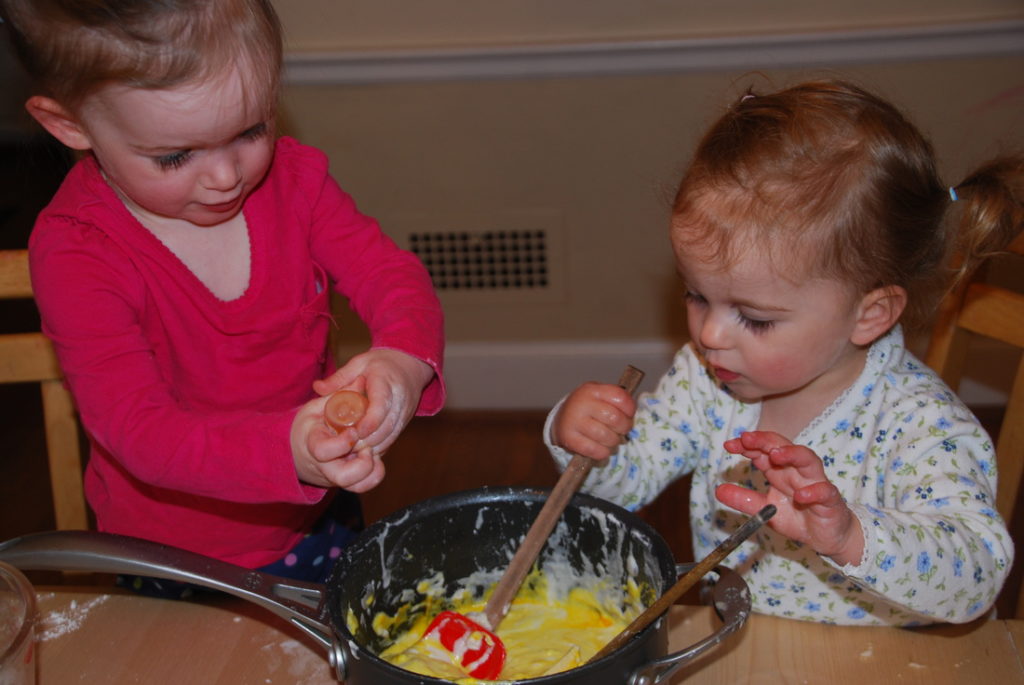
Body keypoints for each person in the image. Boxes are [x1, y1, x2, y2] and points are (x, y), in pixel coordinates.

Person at [1, 0, 445, 593]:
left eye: (251, 129)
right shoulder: (78, 253)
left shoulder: (294, 182)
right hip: (176, 557)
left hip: (315, 513)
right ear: (70, 125)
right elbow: (140, 431)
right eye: (175, 156)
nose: (225, 176)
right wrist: (284, 451)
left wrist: (405, 359)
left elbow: (389, 273)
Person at [546, 79, 1021, 625]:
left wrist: (851, 535)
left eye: (755, 317)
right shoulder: (706, 380)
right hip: (739, 640)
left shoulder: (920, 423)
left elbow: (977, 578)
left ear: (870, 315)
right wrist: (584, 440)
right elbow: (625, 487)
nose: (712, 335)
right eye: (697, 295)